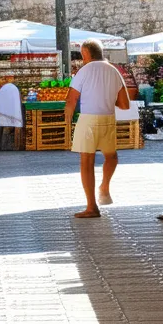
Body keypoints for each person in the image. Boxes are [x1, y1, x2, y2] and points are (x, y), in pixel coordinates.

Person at [65, 38, 130, 219]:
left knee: (87, 162)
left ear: (85, 53)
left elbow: (71, 100)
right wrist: (107, 98)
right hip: (108, 118)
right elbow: (125, 104)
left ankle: (92, 206)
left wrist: (68, 118)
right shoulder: (114, 71)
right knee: (111, 157)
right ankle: (105, 187)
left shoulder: (84, 71)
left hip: (88, 120)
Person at [0, 82, 23, 151]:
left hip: (1, 114)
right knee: (7, 130)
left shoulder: (2, 91)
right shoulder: (13, 90)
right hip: (11, 115)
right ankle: (5, 147)